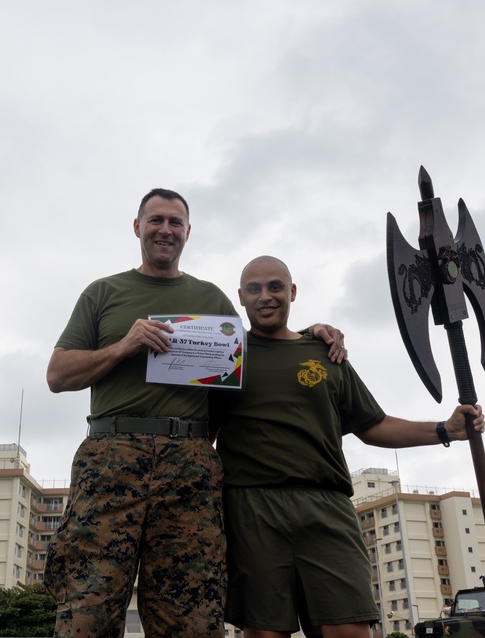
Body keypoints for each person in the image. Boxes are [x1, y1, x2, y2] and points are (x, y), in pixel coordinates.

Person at [44, 191, 344, 637]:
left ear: (187, 232)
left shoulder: (211, 298)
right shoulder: (103, 292)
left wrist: (309, 335)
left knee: (190, 615)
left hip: (190, 461)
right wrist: (124, 346)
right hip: (110, 456)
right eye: (156, 220)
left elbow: (253, 353)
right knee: (88, 608)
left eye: (175, 222)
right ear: (137, 227)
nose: (165, 230)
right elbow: (57, 374)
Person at [209, 255, 485, 638]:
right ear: (240, 297)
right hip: (251, 508)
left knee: (350, 630)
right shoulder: (225, 355)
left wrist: (445, 429)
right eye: (254, 289)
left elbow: (373, 425)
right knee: (265, 633)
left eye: (275, 286)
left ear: (292, 291)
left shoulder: (326, 352)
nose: (265, 296)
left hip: (326, 504)